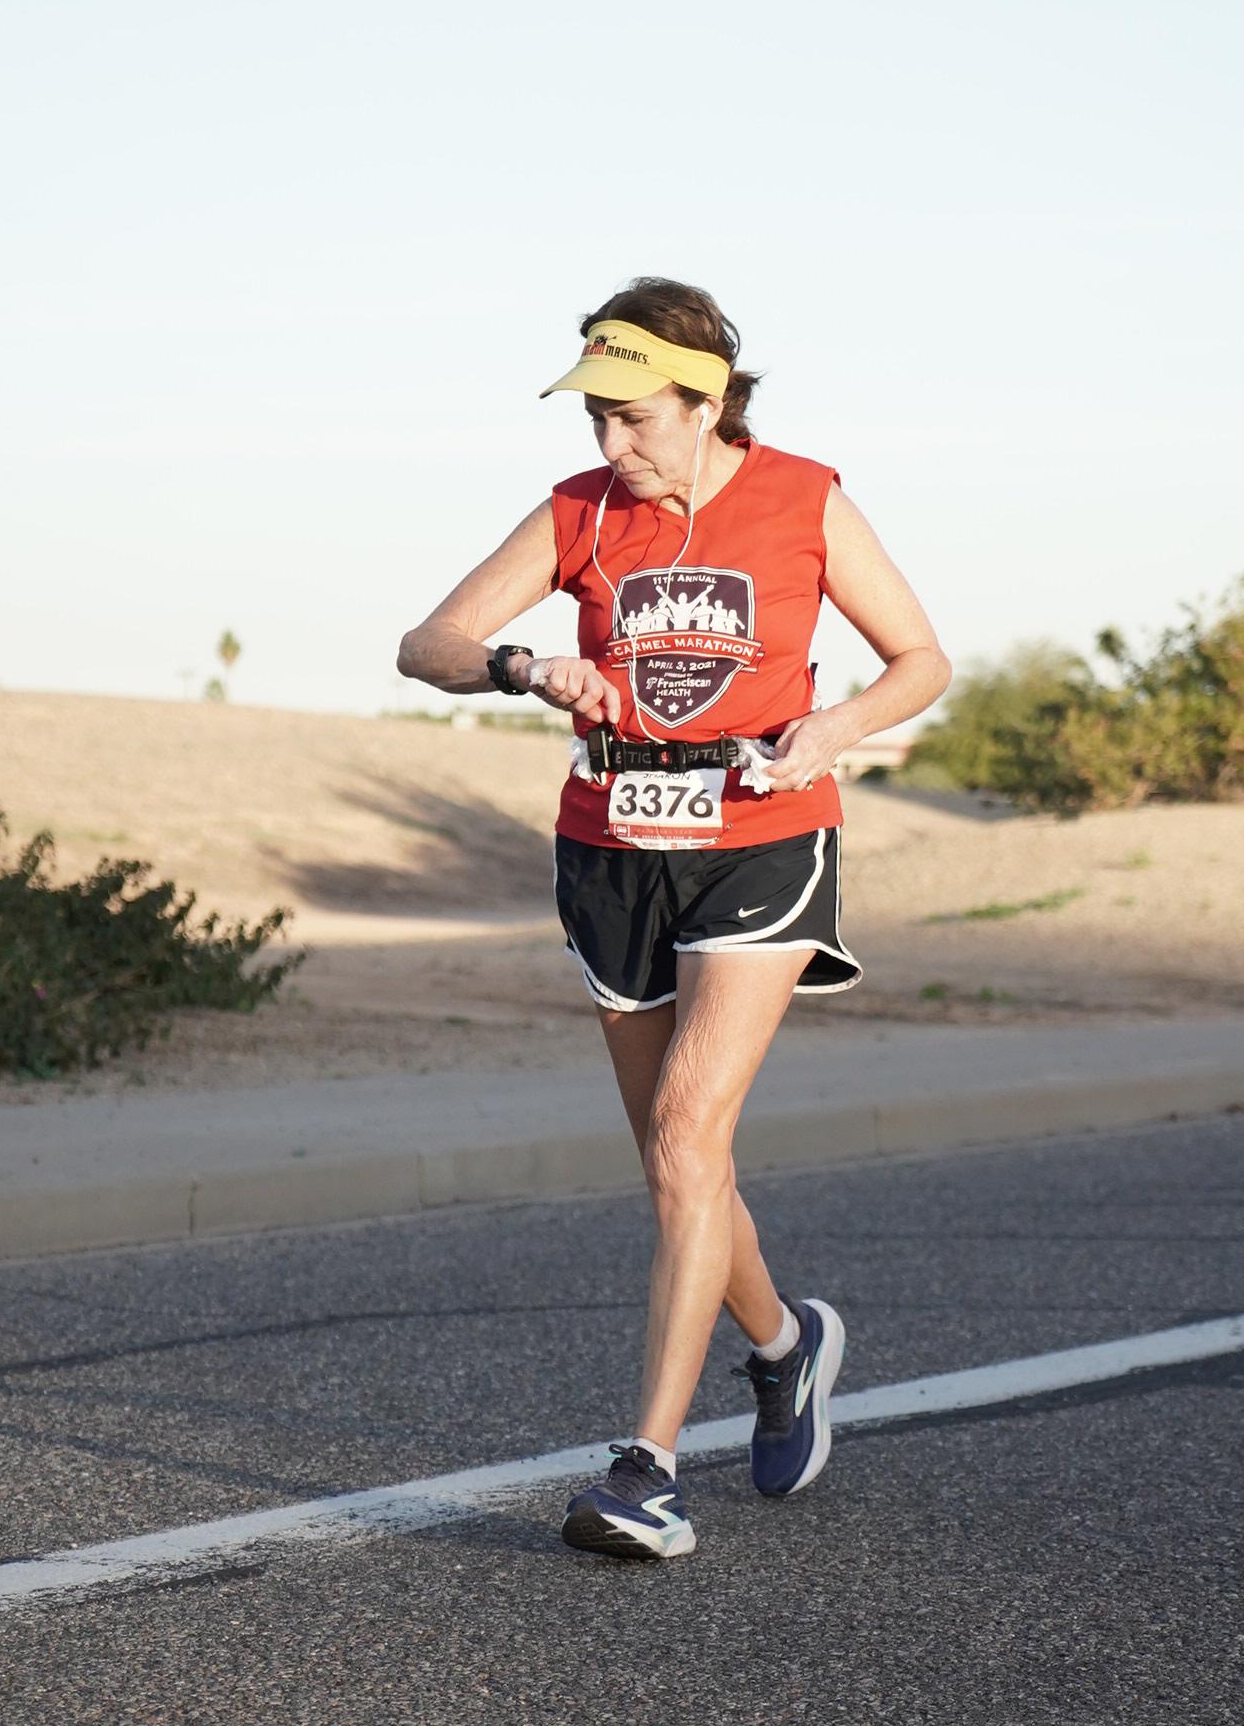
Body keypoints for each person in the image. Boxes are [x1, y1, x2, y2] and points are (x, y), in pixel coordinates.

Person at [397, 277, 950, 1562]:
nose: (612, 441)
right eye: (595, 415)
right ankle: (785, 1343)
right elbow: (426, 641)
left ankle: (644, 1468)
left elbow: (920, 658)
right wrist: (523, 664)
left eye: (634, 415)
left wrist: (831, 727)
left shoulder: (804, 498)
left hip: (758, 839)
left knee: (691, 1130)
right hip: (610, 853)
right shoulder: (579, 510)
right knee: (673, 1158)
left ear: (704, 402)